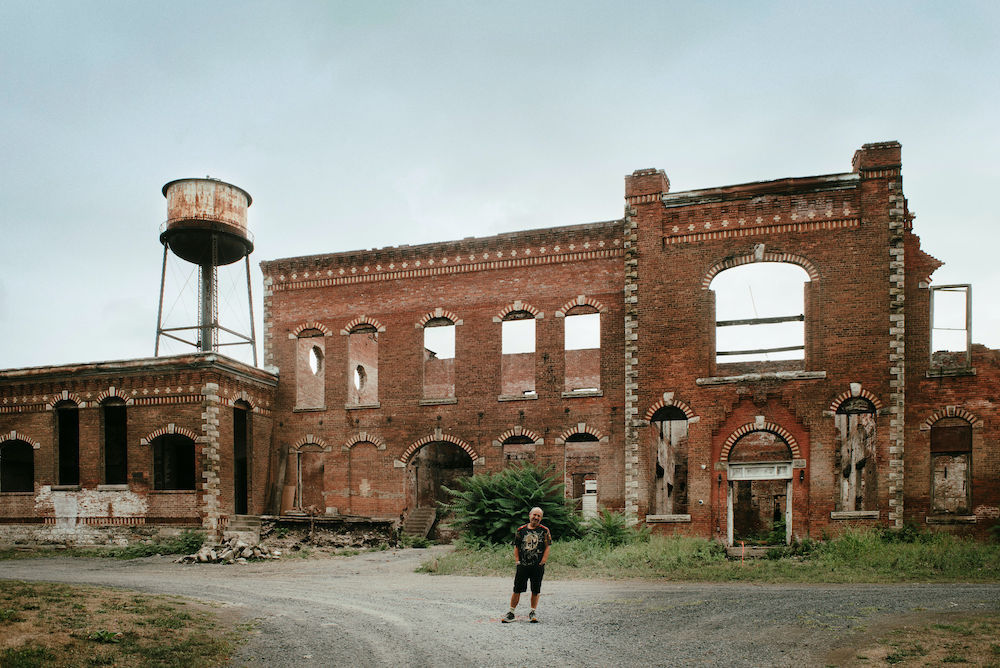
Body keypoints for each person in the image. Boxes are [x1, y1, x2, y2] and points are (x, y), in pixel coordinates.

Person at [501, 506, 551, 623]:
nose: (536, 517)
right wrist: (517, 560)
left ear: (541, 518)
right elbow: (516, 546)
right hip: (523, 565)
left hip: (537, 566)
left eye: (539, 516)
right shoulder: (521, 530)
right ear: (530, 515)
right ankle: (511, 612)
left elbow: (548, 546)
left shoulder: (544, 531)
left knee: (535, 589)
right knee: (517, 588)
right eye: (534, 515)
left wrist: (543, 561)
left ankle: (532, 612)